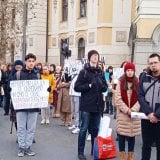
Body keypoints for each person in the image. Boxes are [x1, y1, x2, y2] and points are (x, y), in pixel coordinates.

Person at [74, 50, 108, 160]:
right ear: (89, 58)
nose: (95, 57)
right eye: (93, 56)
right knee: (83, 129)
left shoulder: (101, 72)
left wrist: (103, 86)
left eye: (97, 56)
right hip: (86, 106)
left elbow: (105, 87)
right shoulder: (84, 71)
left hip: (98, 106)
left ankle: (95, 151)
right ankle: (80, 152)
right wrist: (88, 86)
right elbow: (77, 87)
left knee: (95, 129)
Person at [11, 53, 40, 157]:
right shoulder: (18, 74)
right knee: (21, 128)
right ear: (26, 62)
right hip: (21, 106)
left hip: (33, 106)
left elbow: (40, 90)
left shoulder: (37, 74)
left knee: (31, 128)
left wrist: (46, 91)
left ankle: (28, 147)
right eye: (29, 61)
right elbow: (11, 88)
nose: (31, 63)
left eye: (33, 61)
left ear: (35, 62)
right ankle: (21, 147)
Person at [115, 62, 141, 160]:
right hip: (123, 114)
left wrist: (133, 110)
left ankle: (130, 157)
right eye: (128, 70)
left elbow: (141, 98)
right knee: (121, 135)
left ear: (134, 71)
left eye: (131, 70)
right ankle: (122, 157)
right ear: (125, 71)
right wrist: (127, 110)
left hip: (135, 114)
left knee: (132, 136)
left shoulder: (138, 82)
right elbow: (118, 99)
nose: (130, 72)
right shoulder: (120, 82)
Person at [138, 53, 160, 160]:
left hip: (159, 119)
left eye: (155, 62)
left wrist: (156, 115)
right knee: (146, 146)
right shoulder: (144, 77)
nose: (153, 65)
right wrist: (149, 113)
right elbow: (140, 96)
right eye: (151, 63)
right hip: (146, 118)